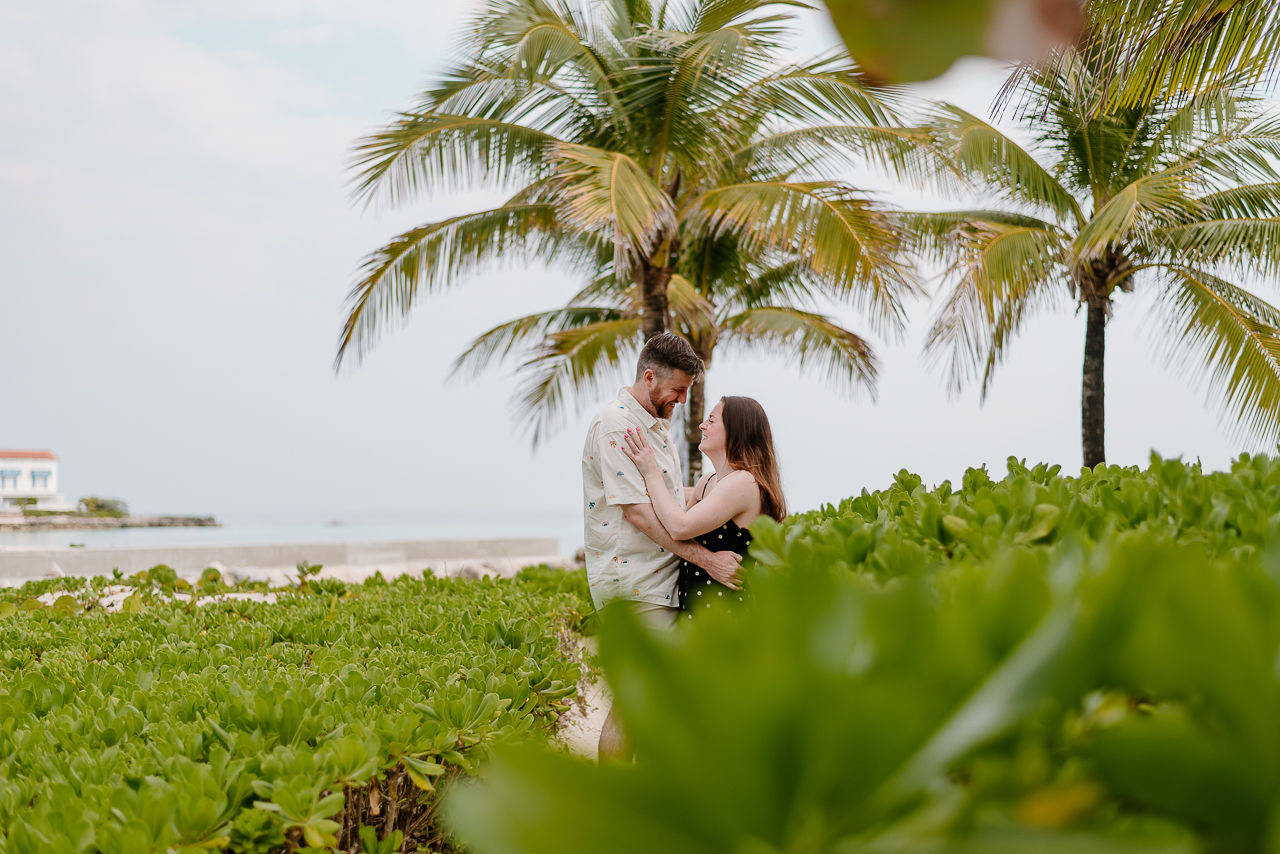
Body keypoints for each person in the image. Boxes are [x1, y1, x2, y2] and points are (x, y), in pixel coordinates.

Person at [582, 332, 744, 762]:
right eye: (678, 390)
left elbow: (671, 496)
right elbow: (639, 514)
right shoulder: (617, 425)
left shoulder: (655, 426)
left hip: (659, 580)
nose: (682, 400)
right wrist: (709, 560)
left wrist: (728, 489)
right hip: (633, 582)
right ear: (649, 377)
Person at [620, 395, 787, 619]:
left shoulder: (744, 482)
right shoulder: (707, 482)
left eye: (712, 420)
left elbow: (679, 526)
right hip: (693, 608)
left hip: (725, 612)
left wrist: (651, 472)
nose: (702, 425)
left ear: (736, 430)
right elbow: (672, 515)